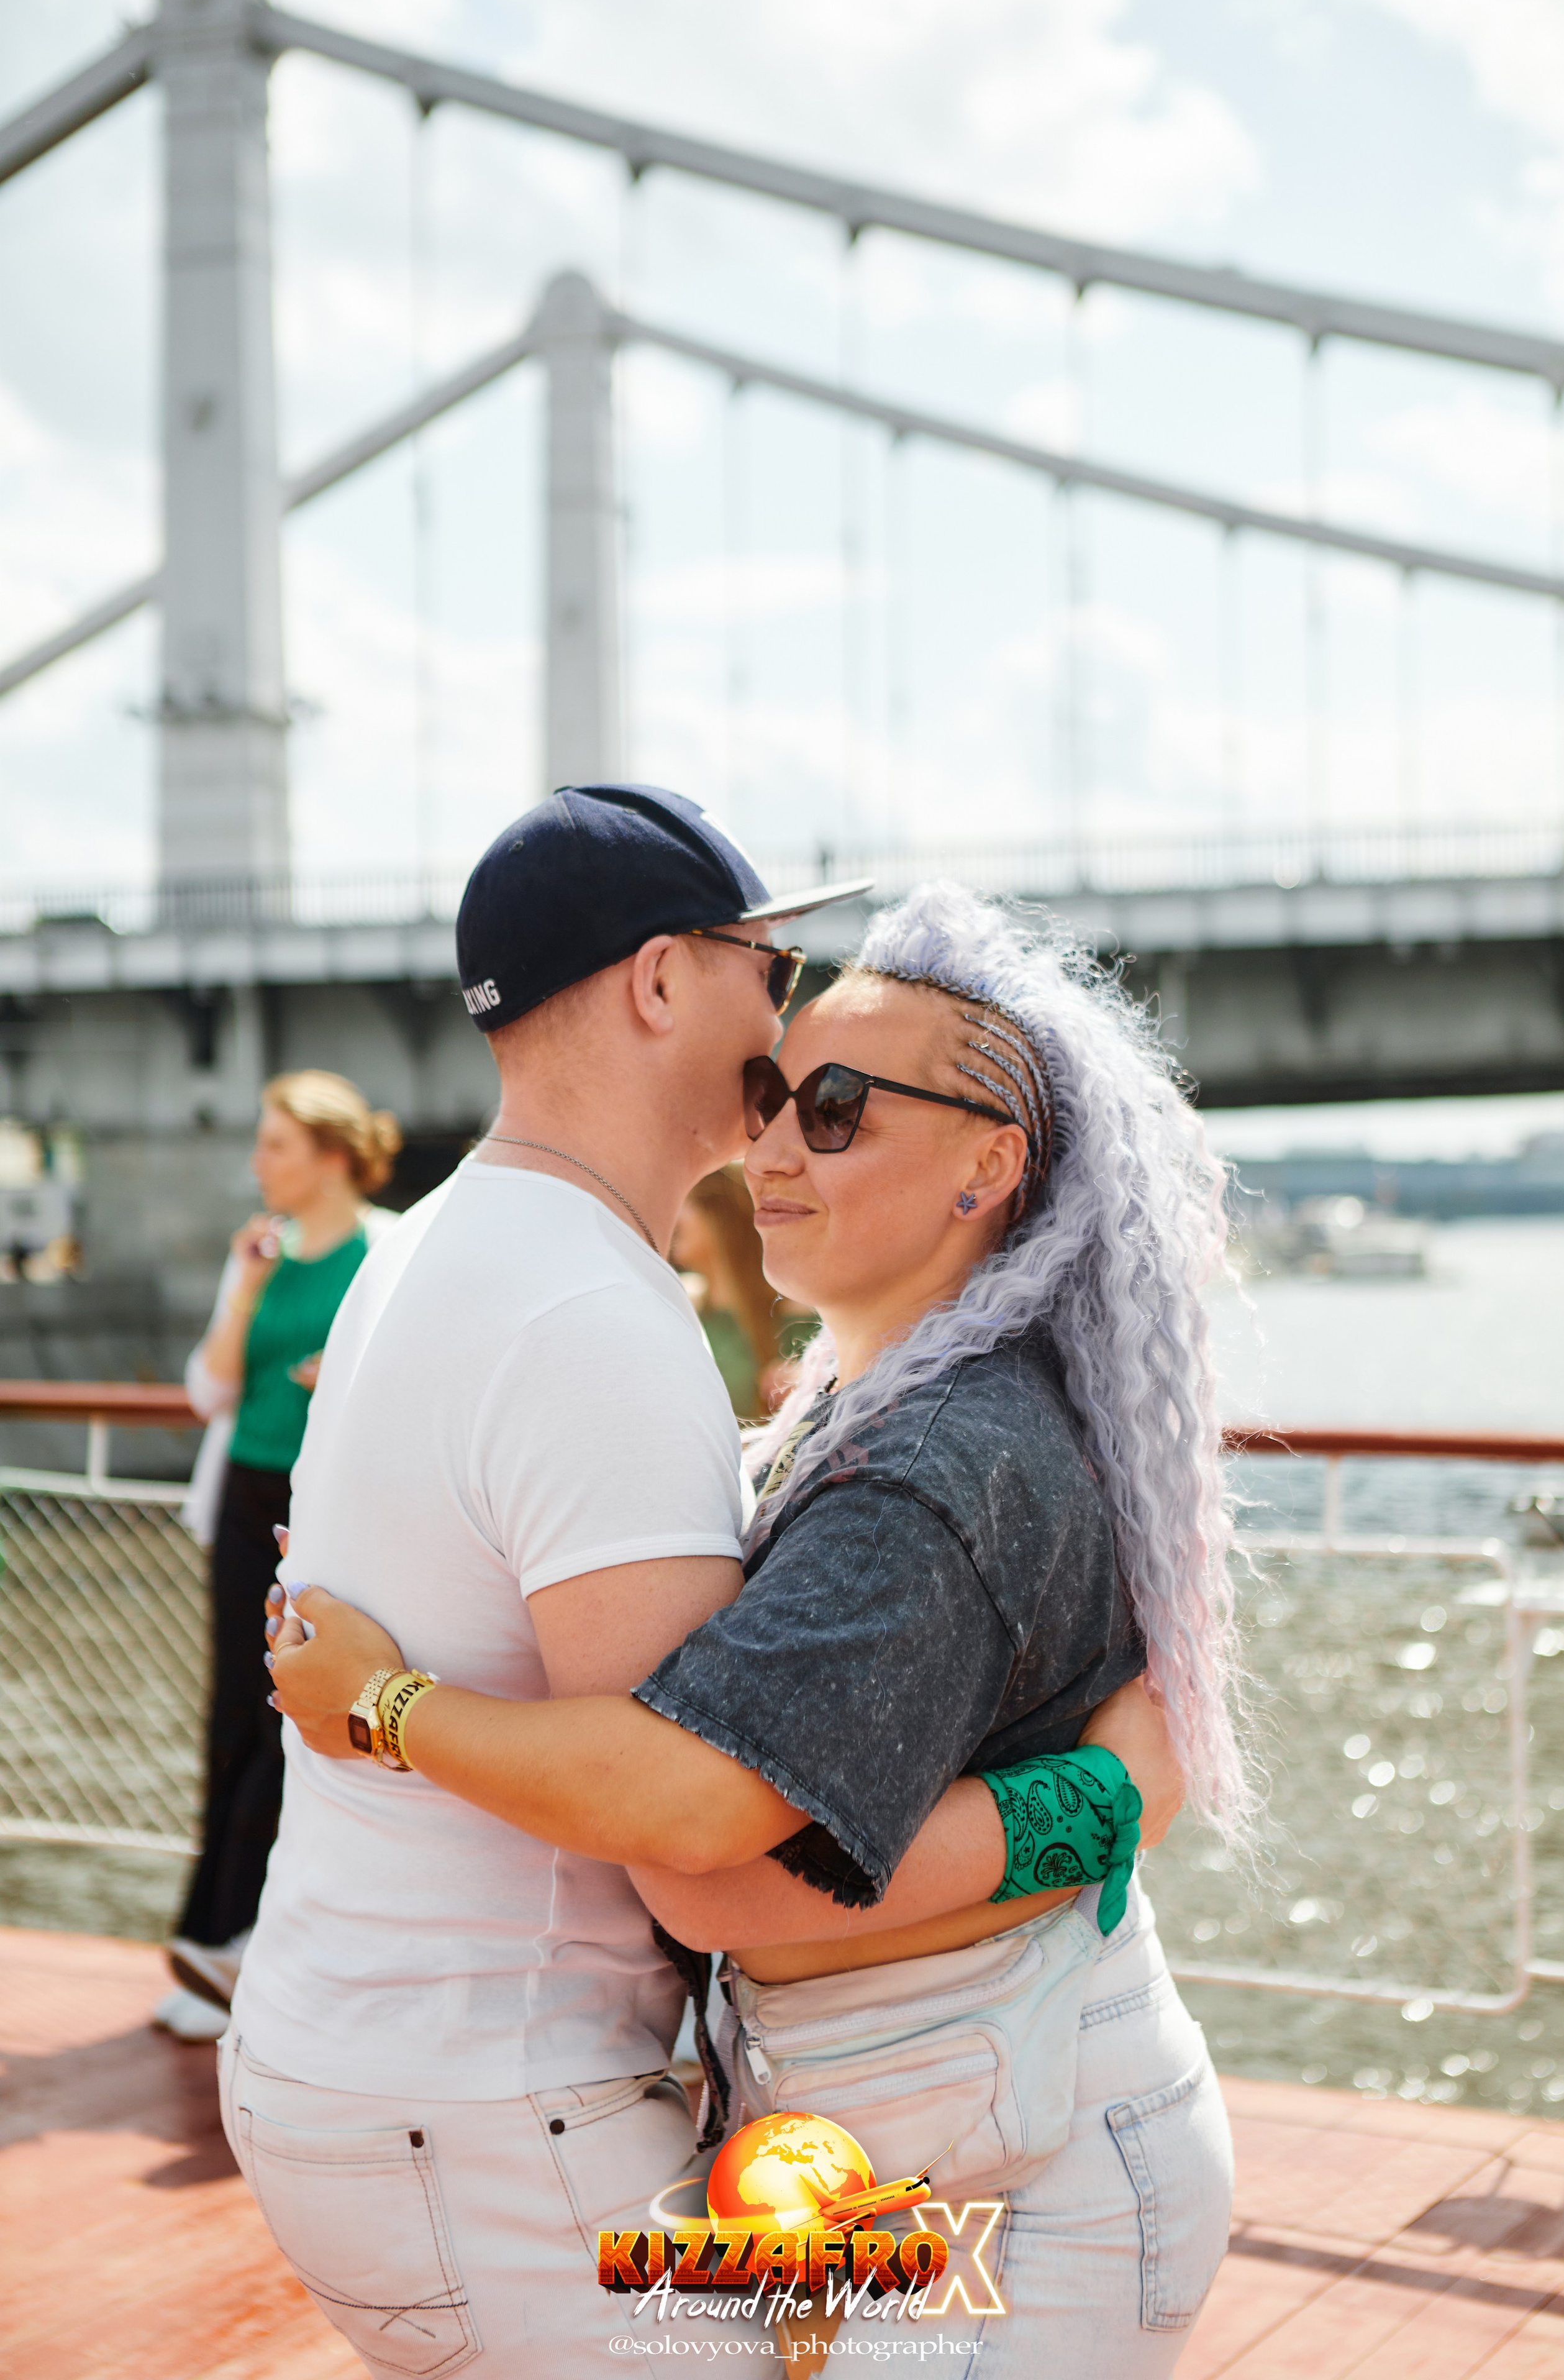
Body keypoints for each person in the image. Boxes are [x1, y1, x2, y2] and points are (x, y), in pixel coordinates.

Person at [269, 880, 1248, 2377]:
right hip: (901, 2146)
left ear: (993, 1162)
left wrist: (384, 1702)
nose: (774, 1147)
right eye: (773, 1097)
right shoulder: (848, 1418)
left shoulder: (939, 1466)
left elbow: (710, 1883)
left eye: (839, 1106)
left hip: (1024, 2177)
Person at [222, 787, 897, 2374]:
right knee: (925, 2307)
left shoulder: (439, 1244)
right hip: (490, 2113)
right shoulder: (590, 1307)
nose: (789, 1017)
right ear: (661, 981)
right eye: (769, 968)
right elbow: (685, 1822)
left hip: (369, 2060)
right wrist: (1095, 1793)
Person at [152, 1072, 401, 2044]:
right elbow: (210, 1393)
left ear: (333, 1155)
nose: (258, 1163)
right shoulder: (258, 1256)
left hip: (326, 1509)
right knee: (231, 1718)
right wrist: (247, 1288)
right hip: (249, 1498)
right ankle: (211, 1934)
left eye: (277, 1146)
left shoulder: (387, 1249)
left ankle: (259, 1944)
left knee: (291, 1719)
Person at [670, 1164, 783, 1417]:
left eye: (682, 1202)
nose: (670, 1215)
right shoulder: (676, 1308)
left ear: (717, 1214)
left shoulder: (797, 1315)